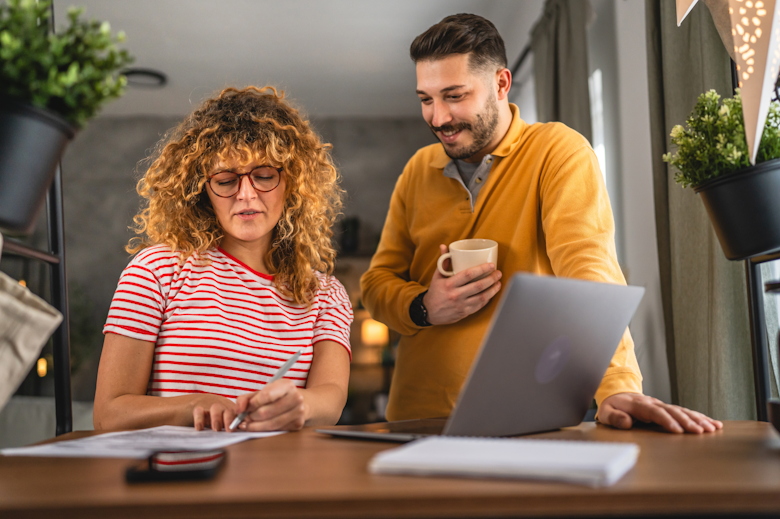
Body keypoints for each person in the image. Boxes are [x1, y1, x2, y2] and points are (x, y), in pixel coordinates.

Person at [360, 14, 722, 433]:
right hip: (415, 418)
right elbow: (376, 283)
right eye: (426, 99)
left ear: (501, 84)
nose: (438, 117)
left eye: (454, 96)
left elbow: (589, 270)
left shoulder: (557, 152)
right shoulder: (417, 170)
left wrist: (617, 385)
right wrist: (425, 306)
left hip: (527, 417)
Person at [94, 86, 352, 432]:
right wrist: (194, 405)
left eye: (264, 176)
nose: (246, 195)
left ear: (292, 183)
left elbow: (331, 399)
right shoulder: (156, 271)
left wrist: (300, 405)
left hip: (280, 480)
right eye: (226, 180)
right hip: (181, 481)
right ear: (202, 190)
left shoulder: (325, 294)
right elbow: (109, 415)